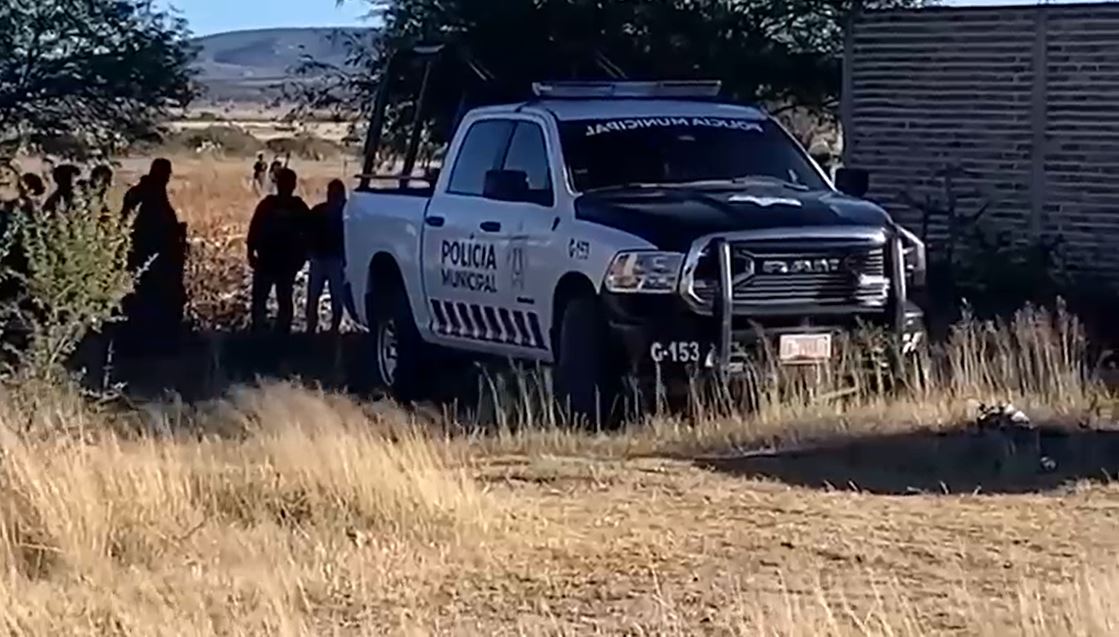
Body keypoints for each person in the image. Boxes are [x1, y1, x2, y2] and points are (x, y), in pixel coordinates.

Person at [121, 158, 186, 352]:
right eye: (166, 174)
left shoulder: (143, 192)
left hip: (147, 253)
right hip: (149, 253)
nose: (167, 178)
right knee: (151, 295)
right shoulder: (147, 194)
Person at [247, 167, 310, 335]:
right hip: (268, 260)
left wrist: (302, 257)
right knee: (262, 299)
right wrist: (250, 251)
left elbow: (309, 232)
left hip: (284, 262)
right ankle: (261, 333)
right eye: (284, 182)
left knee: (282, 299)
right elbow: (254, 229)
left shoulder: (297, 207)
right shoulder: (269, 204)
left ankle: (279, 334)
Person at [305, 179, 347, 334]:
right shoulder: (319, 211)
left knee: (335, 296)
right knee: (314, 296)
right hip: (320, 257)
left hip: (334, 259)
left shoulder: (346, 213)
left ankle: (334, 328)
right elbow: (308, 232)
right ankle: (312, 327)